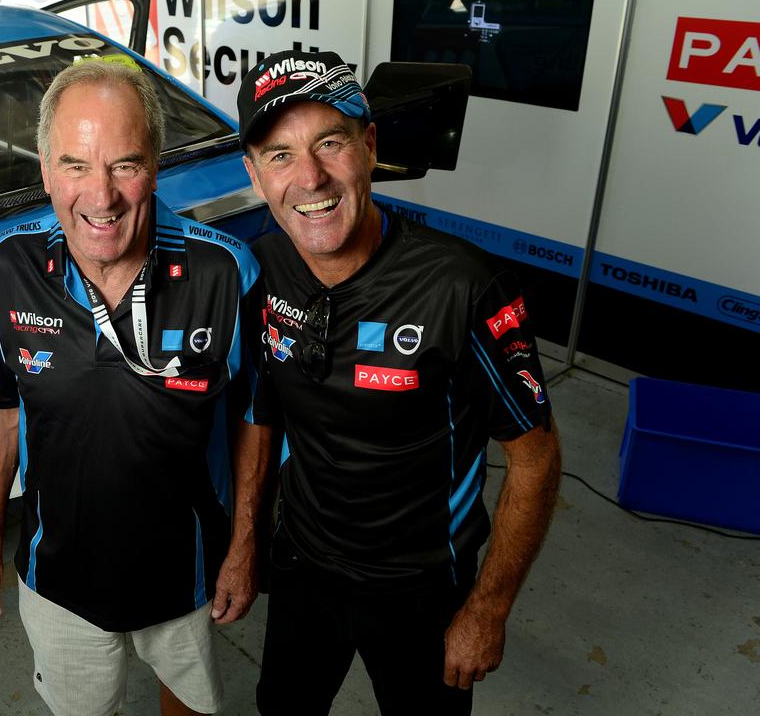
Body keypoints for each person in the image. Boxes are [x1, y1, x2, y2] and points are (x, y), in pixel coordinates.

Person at [235, 50, 562, 715]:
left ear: (370, 145)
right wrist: (247, 545)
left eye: (330, 142)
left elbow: (536, 455)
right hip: (303, 564)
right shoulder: (263, 267)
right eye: (280, 155)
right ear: (255, 173)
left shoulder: (462, 285)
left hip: (421, 587)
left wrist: (488, 608)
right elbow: (261, 413)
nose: (311, 177)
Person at [0, 59, 267, 716]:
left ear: (155, 164)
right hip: (57, 577)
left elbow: (255, 418)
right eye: (75, 165)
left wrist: (243, 547)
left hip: (186, 574)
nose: (101, 196)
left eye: (124, 164)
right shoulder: (7, 266)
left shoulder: (225, 272)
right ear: (45, 169)